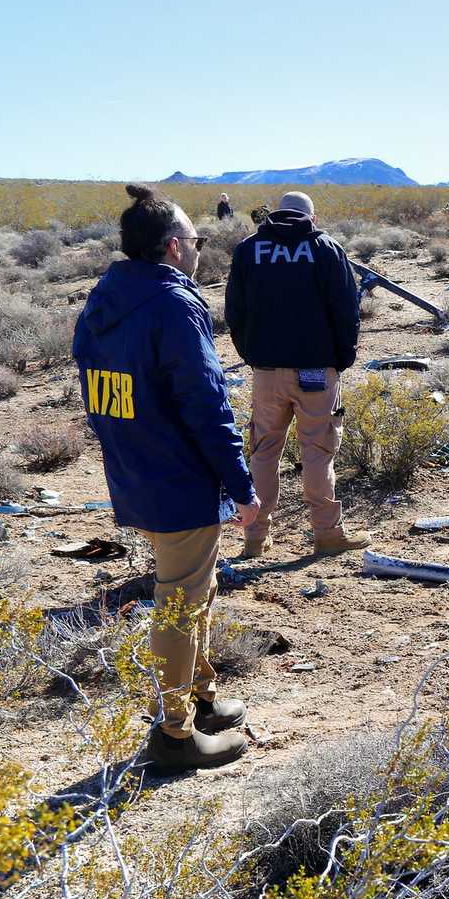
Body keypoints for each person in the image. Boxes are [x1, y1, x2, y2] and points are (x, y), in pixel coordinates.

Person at [72, 185, 261, 772]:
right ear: (176, 247)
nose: (201, 250)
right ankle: (175, 733)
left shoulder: (108, 298)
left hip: (136, 469)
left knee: (192, 591)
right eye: (197, 241)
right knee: (179, 603)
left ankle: (200, 700)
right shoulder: (173, 305)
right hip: (179, 477)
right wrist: (243, 485)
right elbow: (206, 405)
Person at [225, 191, 368, 560]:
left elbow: (234, 312)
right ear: (312, 217)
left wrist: (252, 356)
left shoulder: (249, 249)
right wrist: (341, 359)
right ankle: (327, 534)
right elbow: (346, 310)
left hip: (267, 372)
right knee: (318, 451)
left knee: (263, 450)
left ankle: (255, 537)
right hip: (316, 371)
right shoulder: (325, 248)